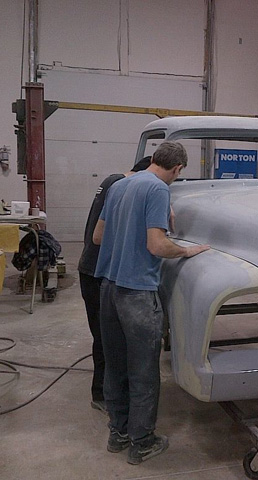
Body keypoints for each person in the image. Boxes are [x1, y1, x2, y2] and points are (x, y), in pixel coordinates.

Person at [93, 141, 209, 465]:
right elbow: (157, 246)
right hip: (137, 294)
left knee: (116, 366)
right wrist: (186, 250)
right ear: (177, 169)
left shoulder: (119, 185)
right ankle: (142, 442)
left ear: (154, 158)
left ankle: (118, 433)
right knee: (143, 371)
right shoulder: (158, 189)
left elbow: (98, 237)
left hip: (109, 289)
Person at [78, 156, 152, 413]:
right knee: (105, 339)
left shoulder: (113, 181)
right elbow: (101, 236)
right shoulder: (120, 186)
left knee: (106, 337)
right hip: (97, 272)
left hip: (92, 268)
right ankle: (101, 395)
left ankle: (110, 391)